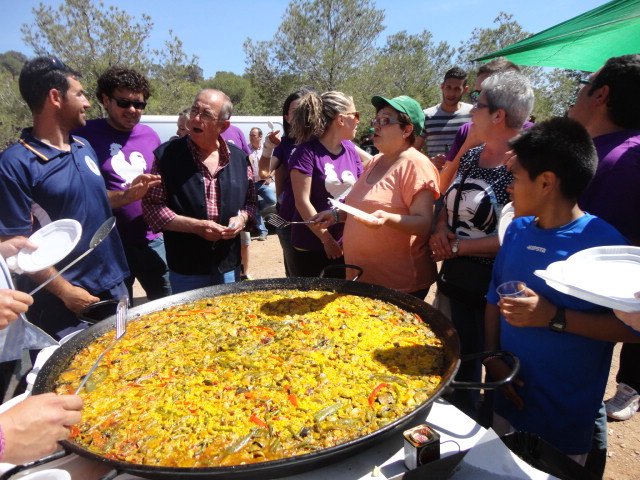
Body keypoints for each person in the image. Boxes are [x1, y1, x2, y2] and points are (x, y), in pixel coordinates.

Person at [485, 117, 636, 467]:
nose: (509, 186)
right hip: (508, 396)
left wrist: (554, 317)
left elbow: (633, 330)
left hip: (564, 418)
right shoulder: (517, 231)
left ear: (546, 182)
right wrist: (493, 358)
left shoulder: (605, 245)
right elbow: (494, 298)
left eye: (517, 177)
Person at [0, 56, 130, 339]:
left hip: (115, 283)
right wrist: (66, 292)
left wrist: (128, 195)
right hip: (65, 303)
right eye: (80, 94)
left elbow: (92, 203)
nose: (87, 103)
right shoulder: (15, 164)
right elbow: (14, 247)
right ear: (55, 97)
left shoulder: (83, 147)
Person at [430, 70, 534, 419]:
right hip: (455, 282)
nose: (471, 109)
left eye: (479, 103)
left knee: (490, 372)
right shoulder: (473, 155)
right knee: (453, 365)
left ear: (498, 115)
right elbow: (446, 197)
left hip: (493, 292)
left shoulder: (525, 166)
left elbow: (516, 236)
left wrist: (456, 247)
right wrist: (442, 228)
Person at [568, 54, 640, 425]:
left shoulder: (624, 160)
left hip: (576, 335)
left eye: (584, 84)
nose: (576, 95)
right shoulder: (601, 151)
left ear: (601, 94)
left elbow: (610, 263)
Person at [312, 95, 439, 298]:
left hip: (399, 285)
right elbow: (364, 209)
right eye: (376, 120)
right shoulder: (375, 161)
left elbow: (424, 224)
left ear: (407, 130)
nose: (376, 127)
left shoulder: (416, 165)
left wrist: (387, 219)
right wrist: (337, 216)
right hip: (362, 279)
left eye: (385, 121)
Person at [142, 89, 257, 294]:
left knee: (229, 322)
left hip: (228, 267)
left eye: (206, 114)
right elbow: (153, 207)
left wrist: (241, 220)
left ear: (223, 125)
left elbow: (250, 203)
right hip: (187, 270)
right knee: (189, 323)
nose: (195, 118)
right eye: (195, 110)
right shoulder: (167, 156)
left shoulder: (239, 159)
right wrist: (195, 226)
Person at [73, 66, 171, 301]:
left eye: (139, 105)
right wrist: (126, 196)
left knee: (168, 302)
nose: (132, 110)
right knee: (116, 312)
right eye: (124, 103)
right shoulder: (82, 135)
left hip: (151, 239)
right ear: (105, 100)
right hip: (108, 244)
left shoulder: (150, 135)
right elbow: (80, 196)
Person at [287, 90, 364, 278]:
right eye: (356, 115)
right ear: (340, 119)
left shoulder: (350, 151)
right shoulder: (306, 152)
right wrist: (326, 239)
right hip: (311, 246)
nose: (358, 121)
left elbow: (359, 194)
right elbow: (302, 202)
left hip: (345, 243)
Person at [438, 58, 528, 192]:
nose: (478, 101)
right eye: (477, 94)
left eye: (487, 93)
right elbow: (442, 187)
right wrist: (468, 145)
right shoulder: (467, 130)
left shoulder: (531, 137)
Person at [258, 87, 315, 277]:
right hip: (288, 219)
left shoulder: (325, 141)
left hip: (322, 218)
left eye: (304, 110)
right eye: (294, 112)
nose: (300, 116)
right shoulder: (284, 144)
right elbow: (264, 173)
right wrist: (267, 148)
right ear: (287, 117)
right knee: (295, 274)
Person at [414, 67, 472, 168]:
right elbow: (413, 152)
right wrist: (430, 161)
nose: (451, 93)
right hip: (436, 179)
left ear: (465, 90)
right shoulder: (427, 116)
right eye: (448, 87)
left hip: (465, 180)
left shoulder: (473, 114)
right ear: (442, 86)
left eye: (457, 89)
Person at [248, 127, 276, 241]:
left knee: (272, 200)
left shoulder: (266, 150)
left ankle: (258, 206)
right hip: (250, 184)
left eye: (253, 135)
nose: (250, 137)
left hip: (263, 183)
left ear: (260, 137)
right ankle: (263, 232)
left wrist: (270, 176)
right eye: (250, 134)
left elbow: (275, 165)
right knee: (254, 208)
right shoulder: (246, 149)